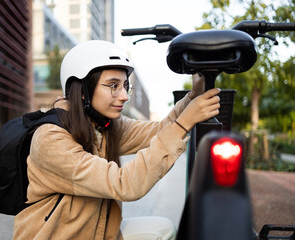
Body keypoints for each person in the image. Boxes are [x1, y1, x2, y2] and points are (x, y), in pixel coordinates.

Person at [12, 40, 221, 240]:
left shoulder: (104, 124)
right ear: (82, 90)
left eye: (125, 86)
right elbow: (124, 184)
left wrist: (192, 97)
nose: (124, 96)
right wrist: (184, 124)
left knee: (163, 229)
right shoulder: (51, 139)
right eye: (113, 86)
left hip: (99, 233)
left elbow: (158, 131)